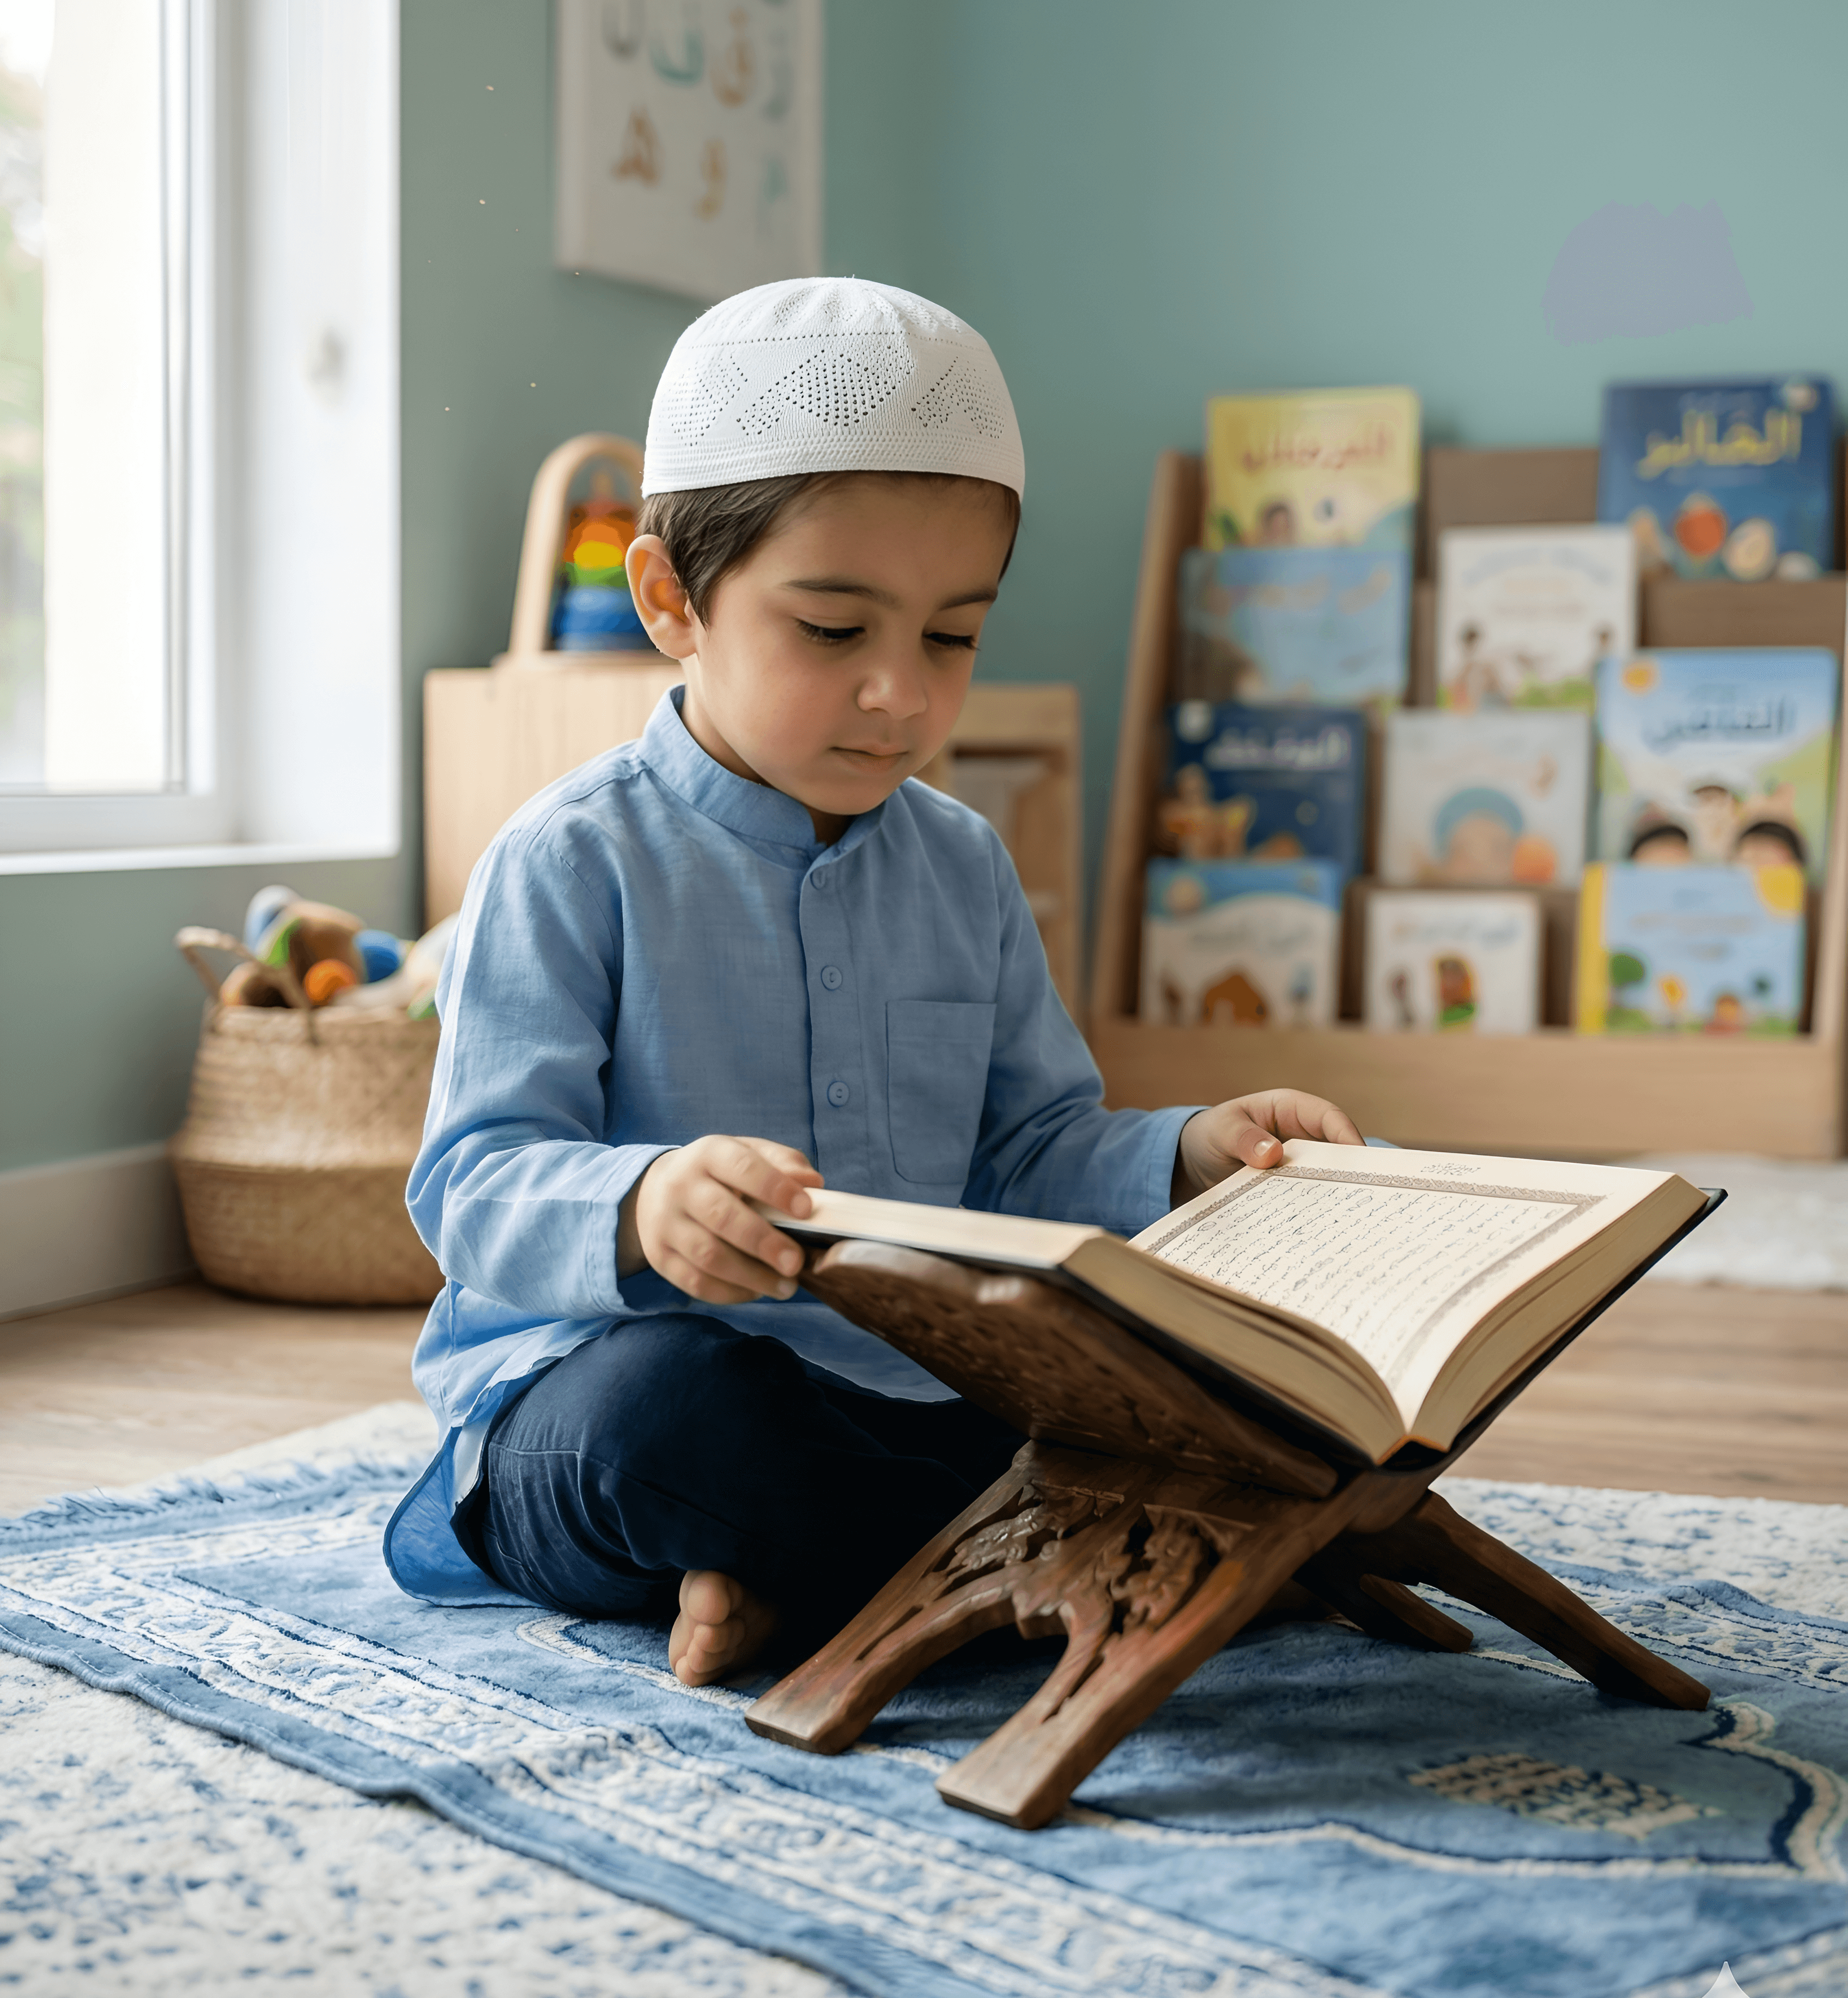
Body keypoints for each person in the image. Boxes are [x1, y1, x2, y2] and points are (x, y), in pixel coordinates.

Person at [384, 279, 1363, 1687]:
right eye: (836, 633)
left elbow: (1028, 1154)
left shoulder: (962, 868)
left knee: (1182, 1387)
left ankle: (830, 1576)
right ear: (673, 600)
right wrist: (645, 1206)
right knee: (660, 1425)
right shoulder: (566, 858)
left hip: (915, 1390)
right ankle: (1061, 1566)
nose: (901, 693)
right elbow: (471, 1182)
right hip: (605, 1389)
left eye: (952, 637)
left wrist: (1191, 1153)